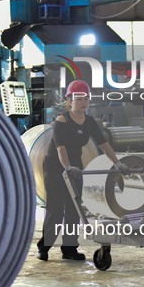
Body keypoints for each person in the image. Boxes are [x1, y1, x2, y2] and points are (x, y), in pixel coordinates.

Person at [37, 80, 130, 261]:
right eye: (78, 98)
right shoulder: (61, 120)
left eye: (86, 98)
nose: (83, 102)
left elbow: (103, 143)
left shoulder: (89, 121)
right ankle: (44, 247)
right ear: (69, 100)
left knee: (74, 208)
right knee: (56, 209)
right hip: (56, 167)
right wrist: (67, 167)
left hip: (75, 166)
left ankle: (69, 250)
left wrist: (117, 163)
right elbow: (60, 148)